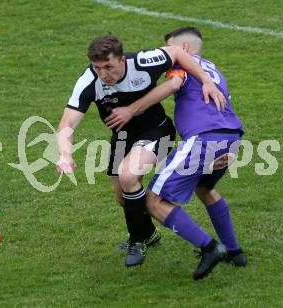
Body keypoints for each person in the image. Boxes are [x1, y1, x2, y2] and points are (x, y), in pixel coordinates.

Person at [56, 34, 226, 268]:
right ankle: (147, 232)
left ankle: (137, 241)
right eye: (97, 68)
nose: (104, 74)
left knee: (128, 175)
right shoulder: (89, 81)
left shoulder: (143, 62)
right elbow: (67, 124)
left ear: (122, 60)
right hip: (122, 138)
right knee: (122, 197)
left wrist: (206, 80)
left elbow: (176, 52)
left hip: (157, 130)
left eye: (109, 67)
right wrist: (65, 154)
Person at [105, 26, 247, 280]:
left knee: (151, 201)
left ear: (183, 50)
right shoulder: (212, 69)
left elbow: (173, 84)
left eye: (170, 48)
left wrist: (134, 108)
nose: (166, 54)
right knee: (204, 189)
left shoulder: (183, 63)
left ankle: (211, 248)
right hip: (230, 136)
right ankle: (235, 253)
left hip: (203, 138)